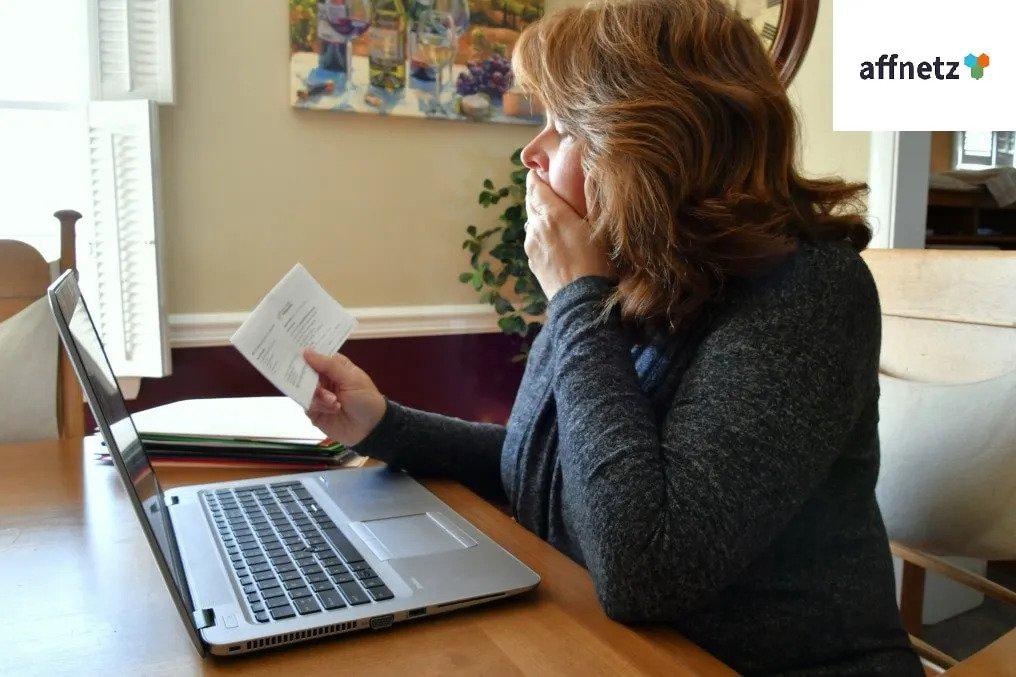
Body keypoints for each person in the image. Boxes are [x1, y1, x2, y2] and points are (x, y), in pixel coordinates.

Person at [302, 0, 923, 672]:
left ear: (651, 145)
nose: (530, 152)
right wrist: (382, 425)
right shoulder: (633, 273)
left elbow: (645, 566)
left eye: (563, 127)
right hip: (600, 642)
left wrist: (576, 294)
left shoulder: (810, 292)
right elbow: (544, 466)